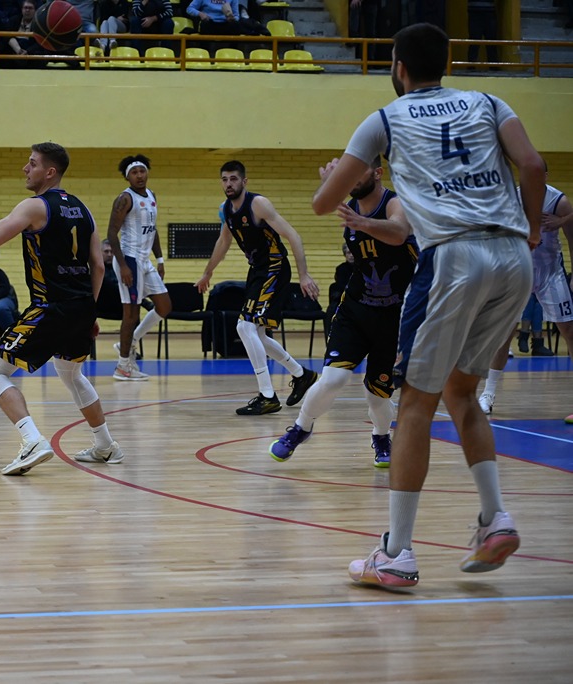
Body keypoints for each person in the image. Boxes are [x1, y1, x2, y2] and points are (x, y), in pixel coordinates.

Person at [314, 23, 546, 589]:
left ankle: (396, 553)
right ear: (447, 63)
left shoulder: (385, 119)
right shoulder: (488, 102)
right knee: (462, 392)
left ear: (397, 67)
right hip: (513, 256)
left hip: (454, 258)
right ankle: (495, 517)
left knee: (415, 404)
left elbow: (323, 203)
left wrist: (332, 181)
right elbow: (534, 167)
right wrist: (534, 231)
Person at [0, 142, 124, 475]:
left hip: (51, 307)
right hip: (81, 306)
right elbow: (98, 266)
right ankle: (106, 445)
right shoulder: (83, 208)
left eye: (32, 163)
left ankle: (32, 440)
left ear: (49, 172)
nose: (26, 168)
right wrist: (89, 313)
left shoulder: (35, 206)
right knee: (71, 373)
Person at [270, 157, 418, 468]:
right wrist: (329, 186)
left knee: (377, 395)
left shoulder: (394, 204)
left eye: (359, 171)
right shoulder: (349, 206)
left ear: (377, 173)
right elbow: (321, 205)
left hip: (393, 316)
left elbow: (399, 232)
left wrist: (361, 223)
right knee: (333, 379)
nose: (352, 178)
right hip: (355, 310)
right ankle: (300, 428)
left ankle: (381, 437)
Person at [195, 160, 320, 415]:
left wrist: (304, 275)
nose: (229, 184)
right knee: (258, 335)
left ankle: (267, 396)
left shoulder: (258, 204)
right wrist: (207, 272)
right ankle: (301, 374)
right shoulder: (226, 209)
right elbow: (223, 241)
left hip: (275, 267)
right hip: (257, 270)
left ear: (244, 181)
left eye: (233, 179)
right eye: (224, 179)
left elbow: (293, 236)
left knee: (244, 326)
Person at [478, 178, 573, 414]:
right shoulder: (510, 199)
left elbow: (572, 239)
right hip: (517, 272)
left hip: (550, 272)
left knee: (569, 330)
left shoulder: (559, 201)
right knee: (504, 334)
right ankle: (488, 394)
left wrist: (563, 221)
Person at [108, 154, 171, 381]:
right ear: (128, 177)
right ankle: (123, 366)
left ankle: (131, 340)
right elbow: (111, 234)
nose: (139, 175)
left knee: (164, 306)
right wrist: (123, 265)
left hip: (145, 261)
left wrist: (160, 259)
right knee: (131, 314)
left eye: (142, 171)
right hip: (130, 260)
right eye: (134, 173)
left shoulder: (152, 195)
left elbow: (152, 230)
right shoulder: (124, 199)